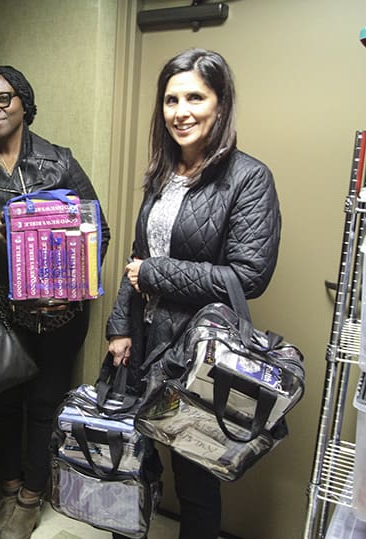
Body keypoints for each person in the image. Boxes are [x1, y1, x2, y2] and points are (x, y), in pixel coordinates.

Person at [105, 48, 281, 539]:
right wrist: (119, 325)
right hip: (142, 339)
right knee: (132, 461)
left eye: (195, 98)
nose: (180, 111)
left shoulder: (248, 178)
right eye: (170, 99)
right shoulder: (162, 173)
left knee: (196, 478)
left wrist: (156, 273)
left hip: (200, 352)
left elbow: (247, 275)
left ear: (220, 105)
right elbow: (137, 257)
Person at [0, 65, 110, 539]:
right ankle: (9, 489)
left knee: (44, 405)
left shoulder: (60, 161)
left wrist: (67, 290)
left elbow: (98, 230)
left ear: (23, 102)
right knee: (1, 405)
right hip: (2, 312)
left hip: (60, 311)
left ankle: (31, 497)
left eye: (2, 99)